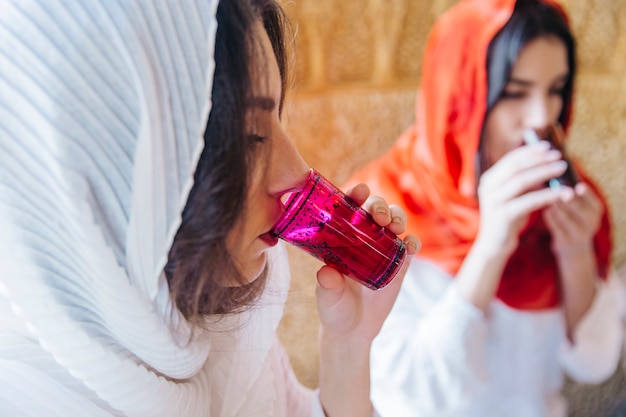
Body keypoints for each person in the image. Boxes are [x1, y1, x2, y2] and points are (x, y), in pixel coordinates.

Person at [0, 0, 419, 416]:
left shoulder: (212, 328)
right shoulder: (28, 398)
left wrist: (348, 345)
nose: (298, 173)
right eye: (252, 138)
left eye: (278, 124)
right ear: (120, 174)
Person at [345, 0, 624, 416]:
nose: (541, 116)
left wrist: (576, 252)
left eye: (555, 90)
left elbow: (595, 364)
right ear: (460, 97)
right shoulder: (382, 210)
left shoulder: (570, 198)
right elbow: (412, 397)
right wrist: (491, 246)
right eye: (514, 93)